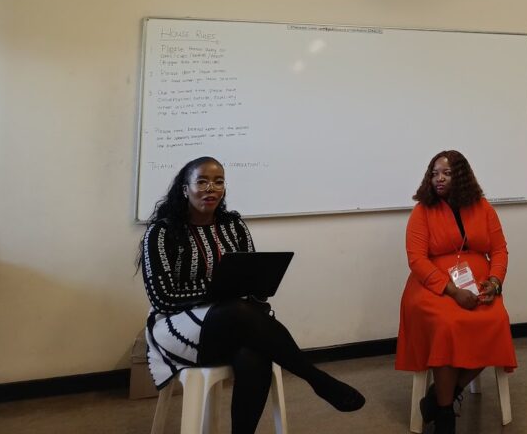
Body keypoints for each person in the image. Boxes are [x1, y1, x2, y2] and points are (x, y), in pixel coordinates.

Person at [138, 156, 365, 434]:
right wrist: (215, 294)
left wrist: (259, 288)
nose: (211, 188)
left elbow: (250, 276)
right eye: (202, 181)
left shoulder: (233, 225)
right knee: (236, 310)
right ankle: (317, 379)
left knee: (253, 355)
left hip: (232, 321)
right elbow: (161, 298)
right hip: (176, 326)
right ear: (185, 188)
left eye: (218, 182)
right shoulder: (161, 232)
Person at [395, 150, 517, 434]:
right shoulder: (422, 211)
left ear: (460, 176)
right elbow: (416, 260)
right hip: (432, 286)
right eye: (435, 173)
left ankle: (440, 398)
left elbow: (499, 250)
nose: (439, 179)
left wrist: (495, 282)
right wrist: (451, 291)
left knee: (494, 323)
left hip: (478, 284)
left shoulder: (483, 208)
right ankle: (446, 414)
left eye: (447, 174)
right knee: (447, 324)